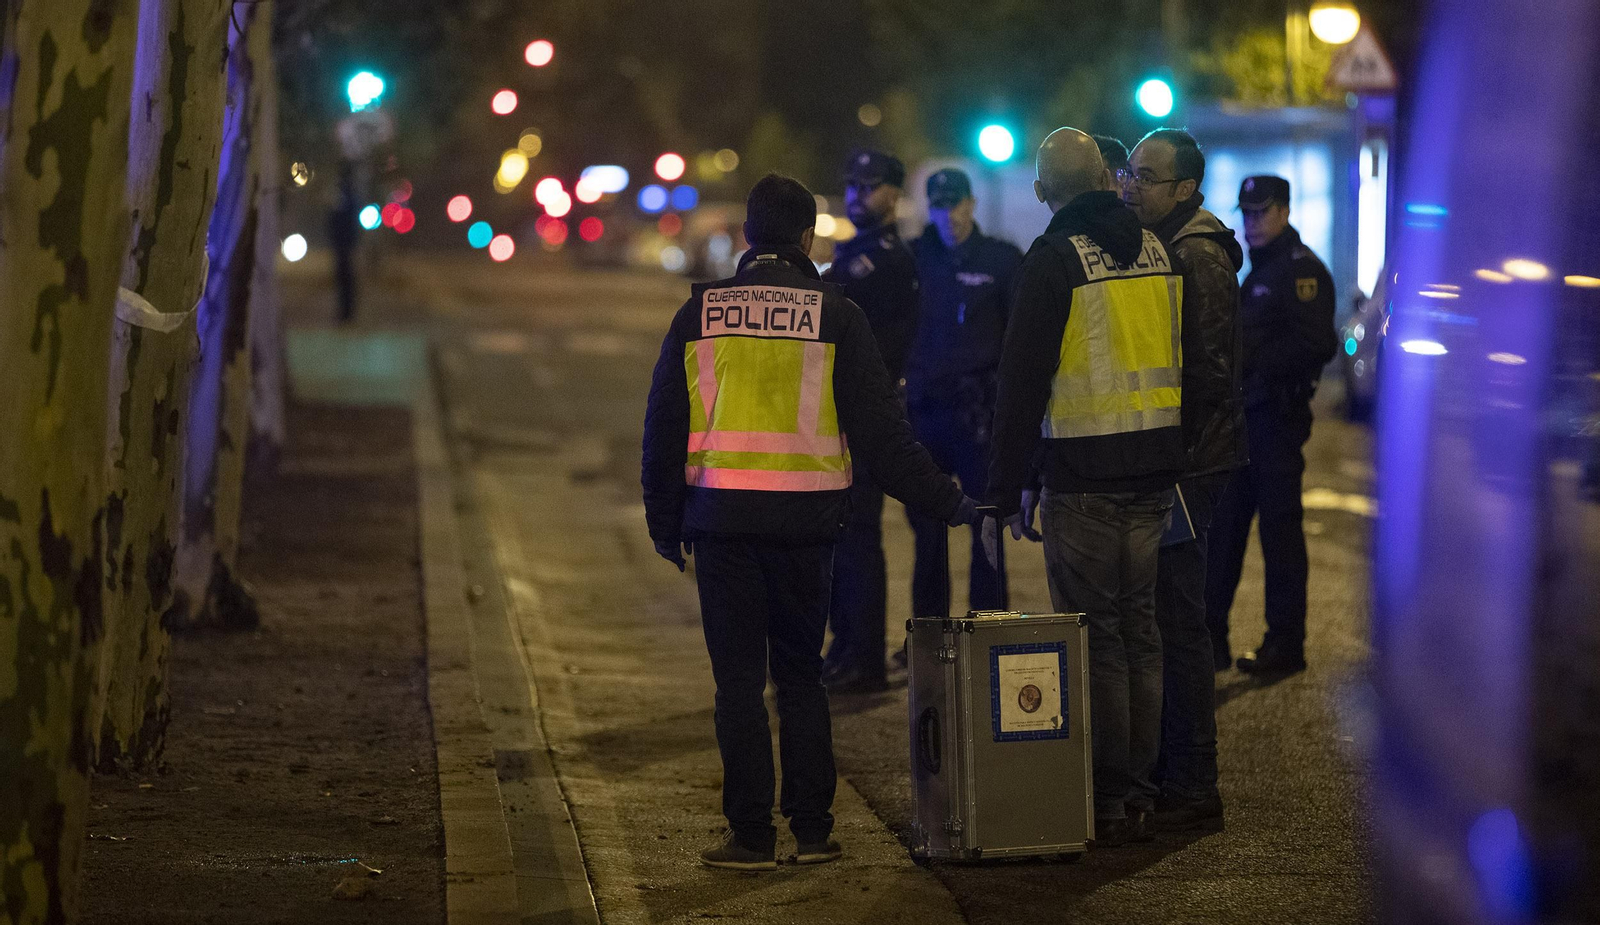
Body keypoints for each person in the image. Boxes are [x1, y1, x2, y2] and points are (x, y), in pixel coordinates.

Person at [642, 174, 978, 871]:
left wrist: (664, 523)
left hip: (722, 526)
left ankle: (749, 836)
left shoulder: (700, 314)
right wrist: (952, 502)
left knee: (737, 683)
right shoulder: (837, 315)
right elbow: (885, 439)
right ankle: (813, 831)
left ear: (745, 238)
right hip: (805, 528)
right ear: (805, 239)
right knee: (800, 677)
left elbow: (663, 428)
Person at [985, 128, 1186, 846]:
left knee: (1099, 638)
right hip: (1154, 473)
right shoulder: (1160, 248)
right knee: (1141, 633)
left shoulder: (1053, 259)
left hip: (1084, 475)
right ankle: (1138, 788)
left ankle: (1105, 797)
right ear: (1107, 177)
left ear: (1043, 192)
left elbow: (1020, 384)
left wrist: (1003, 490)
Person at [1121, 128, 1247, 830]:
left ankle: (1194, 778)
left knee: (1179, 619)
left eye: (1147, 174)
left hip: (1190, 464)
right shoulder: (1168, 244)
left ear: (1185, 187)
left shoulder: (1195, 255)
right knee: (1166, 618)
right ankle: (1176, 768)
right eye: (1129, 171)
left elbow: (1204, 373)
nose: (1132, 184)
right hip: (1184, 459)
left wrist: (1168, 457)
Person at [1206, 175, 1336, 675]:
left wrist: (1257, 363)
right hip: (1245, 422)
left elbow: (1316, 344)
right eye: (1246, 212)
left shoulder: (1300, 271)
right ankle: (1211, 638)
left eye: (1261, 212)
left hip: (1276, 424)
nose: (1252, 222)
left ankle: (1286, 643)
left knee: (1279, 539)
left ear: (1283, 211)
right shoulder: (1260, 271)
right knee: (1225, 532)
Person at [903, 167, 1024, 623]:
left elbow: (1017, 337)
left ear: (971, 204)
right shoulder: (913, 258)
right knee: (927, 531)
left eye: (955, 204)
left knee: (986, 524)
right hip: (926, 413)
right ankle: (929, 631)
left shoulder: (1000, 259)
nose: (948, 215)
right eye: (939, 205)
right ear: (928, 208)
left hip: (979, 414)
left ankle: (988, 625)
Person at [820, 149, 921, 693]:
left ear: (895, 193)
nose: (859, 194)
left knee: (858, 534)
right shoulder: (858, 252)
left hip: (864, 415)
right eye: (853, 184)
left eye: (872, 185)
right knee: (846, 534)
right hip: (843, 413)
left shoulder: (886, 258)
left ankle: (863, 657)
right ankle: (850, 648)